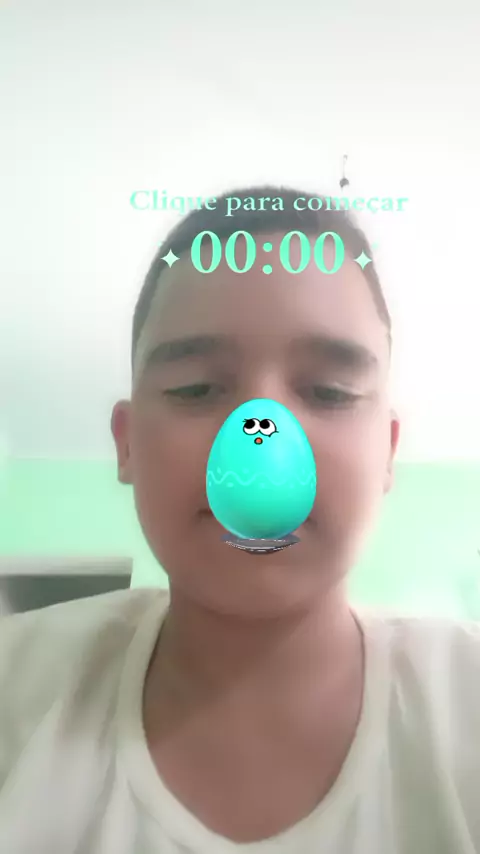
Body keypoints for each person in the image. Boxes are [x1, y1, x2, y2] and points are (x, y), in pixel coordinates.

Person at [1, 185, 479, 854]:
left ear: (388, 453)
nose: (262, 443)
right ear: (127, 444)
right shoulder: (15, 691)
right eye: (196, 388)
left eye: (329, 392)